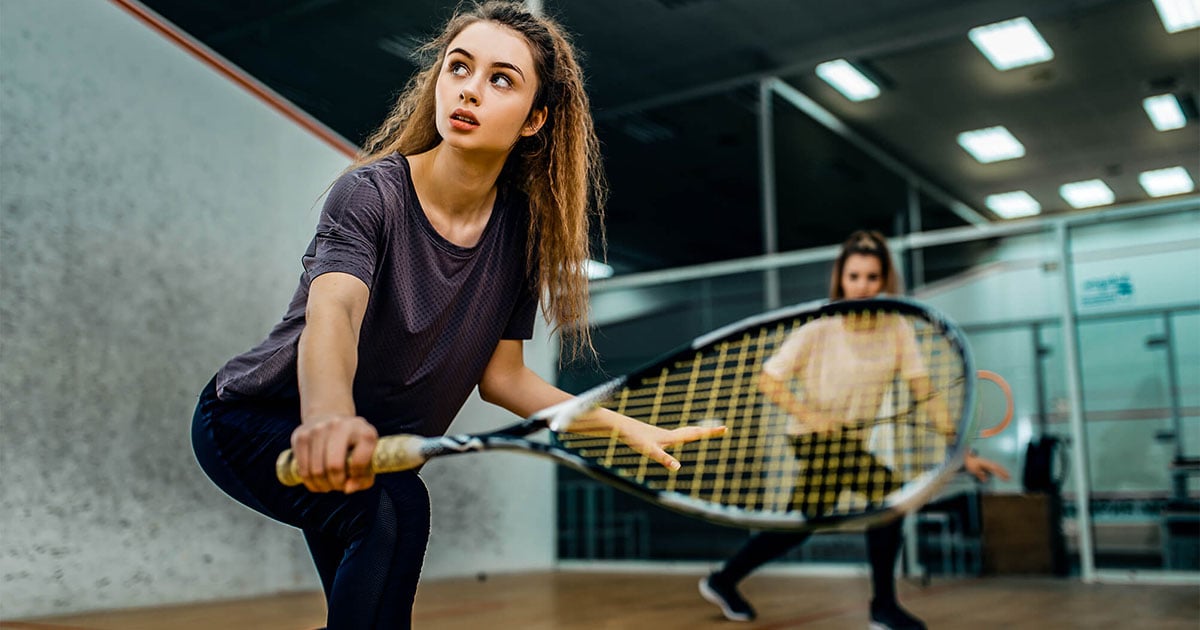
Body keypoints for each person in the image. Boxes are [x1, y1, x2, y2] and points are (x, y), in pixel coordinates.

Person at [190, 3, 724, 628]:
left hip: (369, 450)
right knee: (393, 510)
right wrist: (330, 419)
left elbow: (504, 378)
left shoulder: (522, 235)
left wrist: (614, 424)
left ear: (535, 119)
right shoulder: (370, 194)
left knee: (370, 591)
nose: (470, 88)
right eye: (459, 68)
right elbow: (333, 312)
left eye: (502, 79)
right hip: (257, 418)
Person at [698, 230, 1009, 630]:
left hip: (847, 440)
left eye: (872, 277)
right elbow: (769, 379)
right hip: (810, 439)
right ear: (841, 279)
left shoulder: (898, 330)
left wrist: (960, 452)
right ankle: (883, 608)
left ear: (884, 282)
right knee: (889, 501)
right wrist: (810, 414)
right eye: (854, 276)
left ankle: (722, 580)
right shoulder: (818, 328)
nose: (862, 286)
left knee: (800, 526)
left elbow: (925, 392)